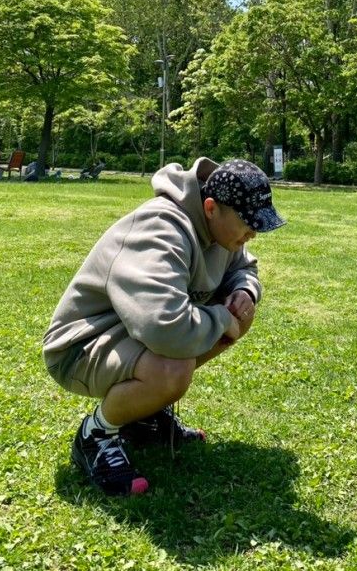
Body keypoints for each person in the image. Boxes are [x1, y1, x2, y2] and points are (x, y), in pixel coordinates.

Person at [42, 157, 286, 496]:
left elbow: (243, 267)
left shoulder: (225, 233)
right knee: (173, 367)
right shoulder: (161, 228)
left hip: (129, 334)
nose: (253, 233)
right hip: (79, 346)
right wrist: (223, 318)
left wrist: (244, 291)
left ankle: (145, 415)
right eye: (247, 222)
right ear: (212, 207)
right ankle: (96, 434)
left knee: (234, 320)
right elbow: (166, 329)